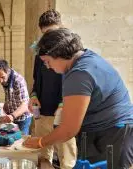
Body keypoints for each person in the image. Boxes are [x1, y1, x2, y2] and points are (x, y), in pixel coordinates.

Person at [23, 28, 133, 168]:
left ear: (58, 54)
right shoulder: (84, 60)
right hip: (102, 131)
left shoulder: (80, 73)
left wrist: (40, 142)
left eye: (47, 61)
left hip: (113, 134)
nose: (48, 66)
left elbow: (69, 129)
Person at [29, 9, 77, 168]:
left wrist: (63, 104)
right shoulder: (39, 54)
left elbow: (75, 84)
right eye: (45, 34)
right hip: (42, 114)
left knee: (67, 160)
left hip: (63, 114)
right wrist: (33, 95)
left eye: (51, 32)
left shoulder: (70, 53)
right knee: (43, 157)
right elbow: (36, 80)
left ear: (61, 28)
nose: (48, 38)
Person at [0, 59, 32, 135]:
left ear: (7, 71)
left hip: (23, 118)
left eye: (2, 77)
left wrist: (12, 116)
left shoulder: (18, 80)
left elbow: (25, 105)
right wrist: (5, 107)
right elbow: (9, 95)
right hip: (13, 117)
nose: (0, 81)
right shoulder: (5, 79)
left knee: (20, 142)